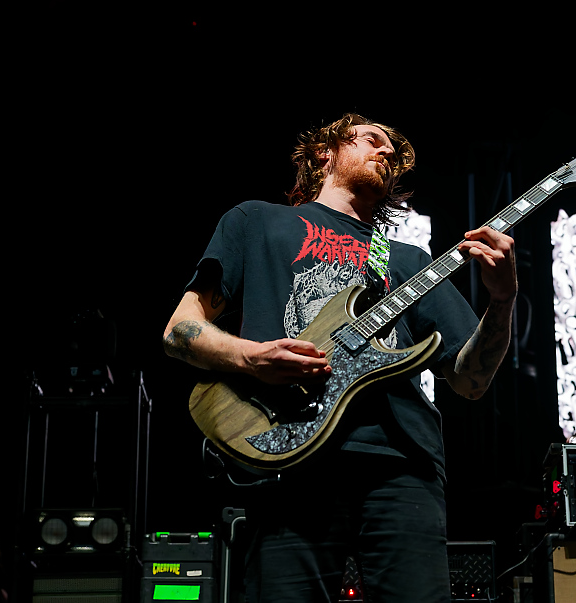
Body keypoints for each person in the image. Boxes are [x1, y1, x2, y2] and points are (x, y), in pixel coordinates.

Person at [162, 112, 517, 603]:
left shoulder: (407, 260)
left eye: (392, 151)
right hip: (289, 453)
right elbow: (180, 329)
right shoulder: (256, 221)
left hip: (401, 463)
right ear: (324, 152)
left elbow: (471, 381)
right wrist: (252, 357)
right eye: (371, 139)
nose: (386, 152)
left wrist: (503, 299)